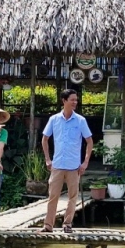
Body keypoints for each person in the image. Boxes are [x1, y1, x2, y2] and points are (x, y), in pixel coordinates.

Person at [41, 89, 93, 233]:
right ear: (64, 101)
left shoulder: (80, 120)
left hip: (73, 166)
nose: (75, 102)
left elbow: (89, 142)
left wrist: (85, 162)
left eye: (76, 100)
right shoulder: (54, 119)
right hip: (57, 165)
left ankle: (67, 224)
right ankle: (48, 225)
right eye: (72, 100)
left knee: (72, 197)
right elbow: (45, 139)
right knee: (53, 196)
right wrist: (47, 159)